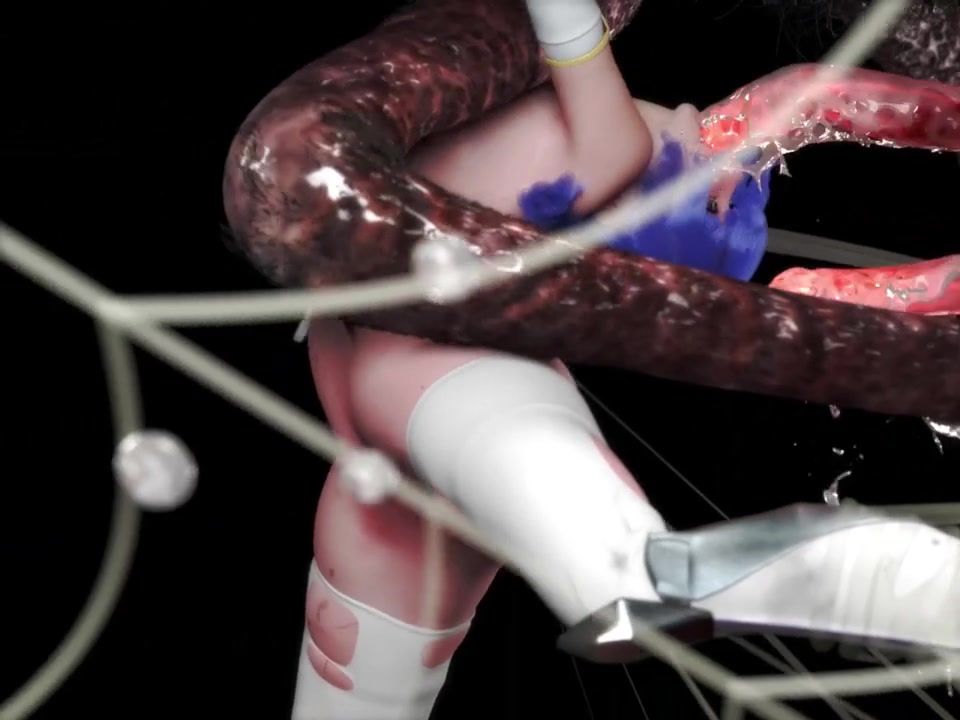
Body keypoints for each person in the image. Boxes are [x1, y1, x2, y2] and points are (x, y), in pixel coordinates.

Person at [290, 3, 960, 719]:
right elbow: (796, 102)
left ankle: (879, 574)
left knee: (628, 586)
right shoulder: (565, 159)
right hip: (404, 448)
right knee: (365, 678)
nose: (697, 120)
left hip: (433, 395)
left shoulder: (608, 146)